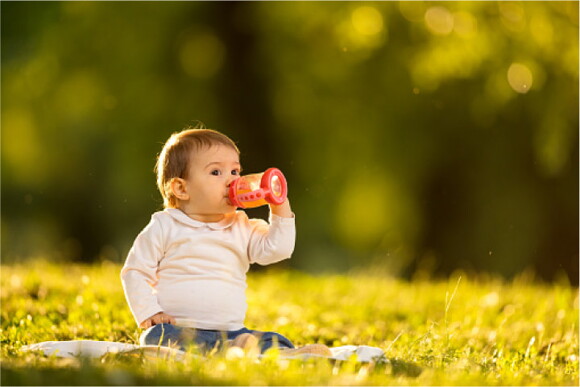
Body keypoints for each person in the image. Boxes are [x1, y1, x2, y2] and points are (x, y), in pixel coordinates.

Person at [120, 127, 331, 357]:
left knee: (272, 338)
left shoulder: (242, 226)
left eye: (235, 171)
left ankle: (274, 352)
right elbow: (135, 271)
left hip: (232, 332)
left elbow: (278, 249)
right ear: (181, 188)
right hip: (180, 329)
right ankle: (236, 352)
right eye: (216, 172)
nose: (232, 181)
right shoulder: (165, 225)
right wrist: (150, 312)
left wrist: (279, 204)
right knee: (155, 337)